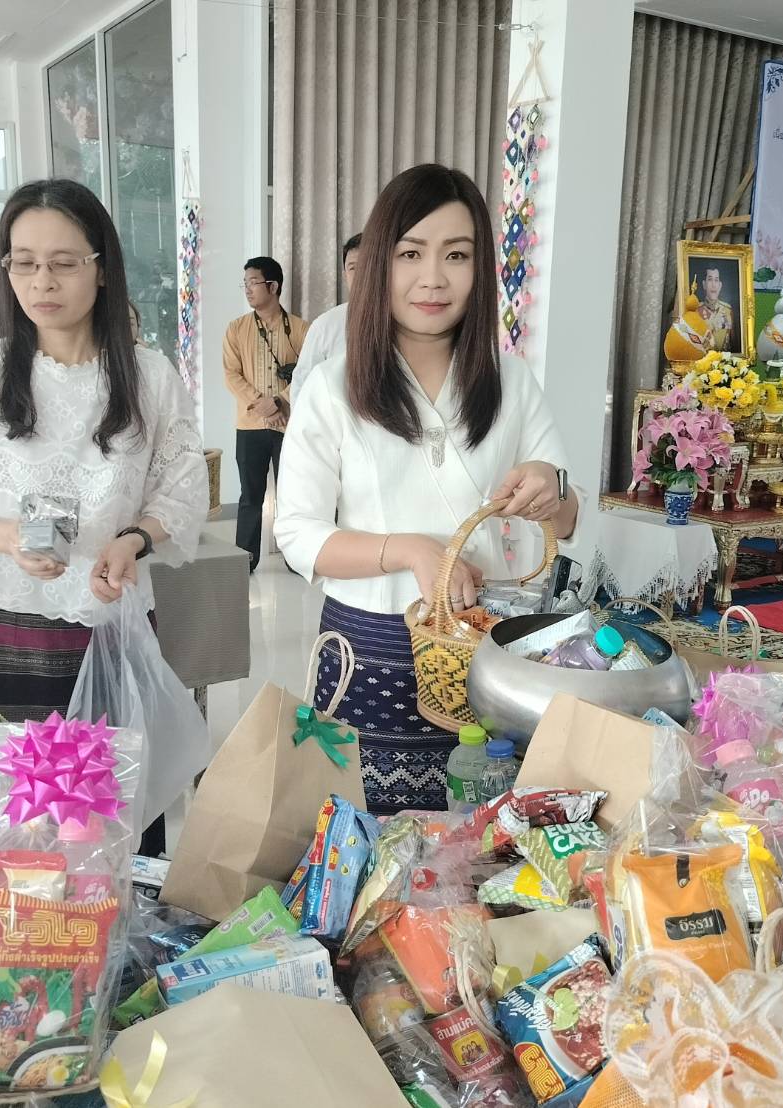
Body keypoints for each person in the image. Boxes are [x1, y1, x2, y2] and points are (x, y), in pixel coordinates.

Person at [0, 178, 207, 856]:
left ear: (101, 269)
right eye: (24, 262)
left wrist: (134, 538)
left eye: (64, 262)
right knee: (21, 838)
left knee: (117, 835)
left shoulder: (147, 375)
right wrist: (8, 538)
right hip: (4, 638)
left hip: (109, 632)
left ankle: (127, 957)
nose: (42, 280)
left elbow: (182, 490)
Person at [276, 164, 581, 814]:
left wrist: (551, 490)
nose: (433, 278)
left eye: (457, 255)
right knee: (369, 853)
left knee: (488, 843)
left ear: (482, 270)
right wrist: (411, 551)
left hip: (493, 647)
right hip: (372, 647)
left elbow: (568, 517)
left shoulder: (512, 381)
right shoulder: (332, 388)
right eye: (410, 254)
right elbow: (297, 533)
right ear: (379, 263)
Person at [223, 256, 308, 571]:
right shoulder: (236, 329)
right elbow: (231, 374)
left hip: (290, 427)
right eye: (244, 283)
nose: (247, 289)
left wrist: (282, 401)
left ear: (273, 286)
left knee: (292, 496)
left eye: (253, 282)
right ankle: (244, 560)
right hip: (248, 426)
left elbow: (309, 373)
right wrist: (263, 403)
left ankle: (294, 558)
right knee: (250, 497)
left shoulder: (300, 328)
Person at [291, 233, 362, 402]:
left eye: (369, 265)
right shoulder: (326, 325)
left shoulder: (410, 320)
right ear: (345, 275)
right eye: (353, 267)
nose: (362, 274)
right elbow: (302, 385)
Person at [696, 265, 735, 352]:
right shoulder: (696, 311)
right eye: (710, 280)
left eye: (716, 280)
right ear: (704, 284)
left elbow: (734, 344)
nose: (713, 285)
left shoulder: (728, 311)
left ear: (720, 285)